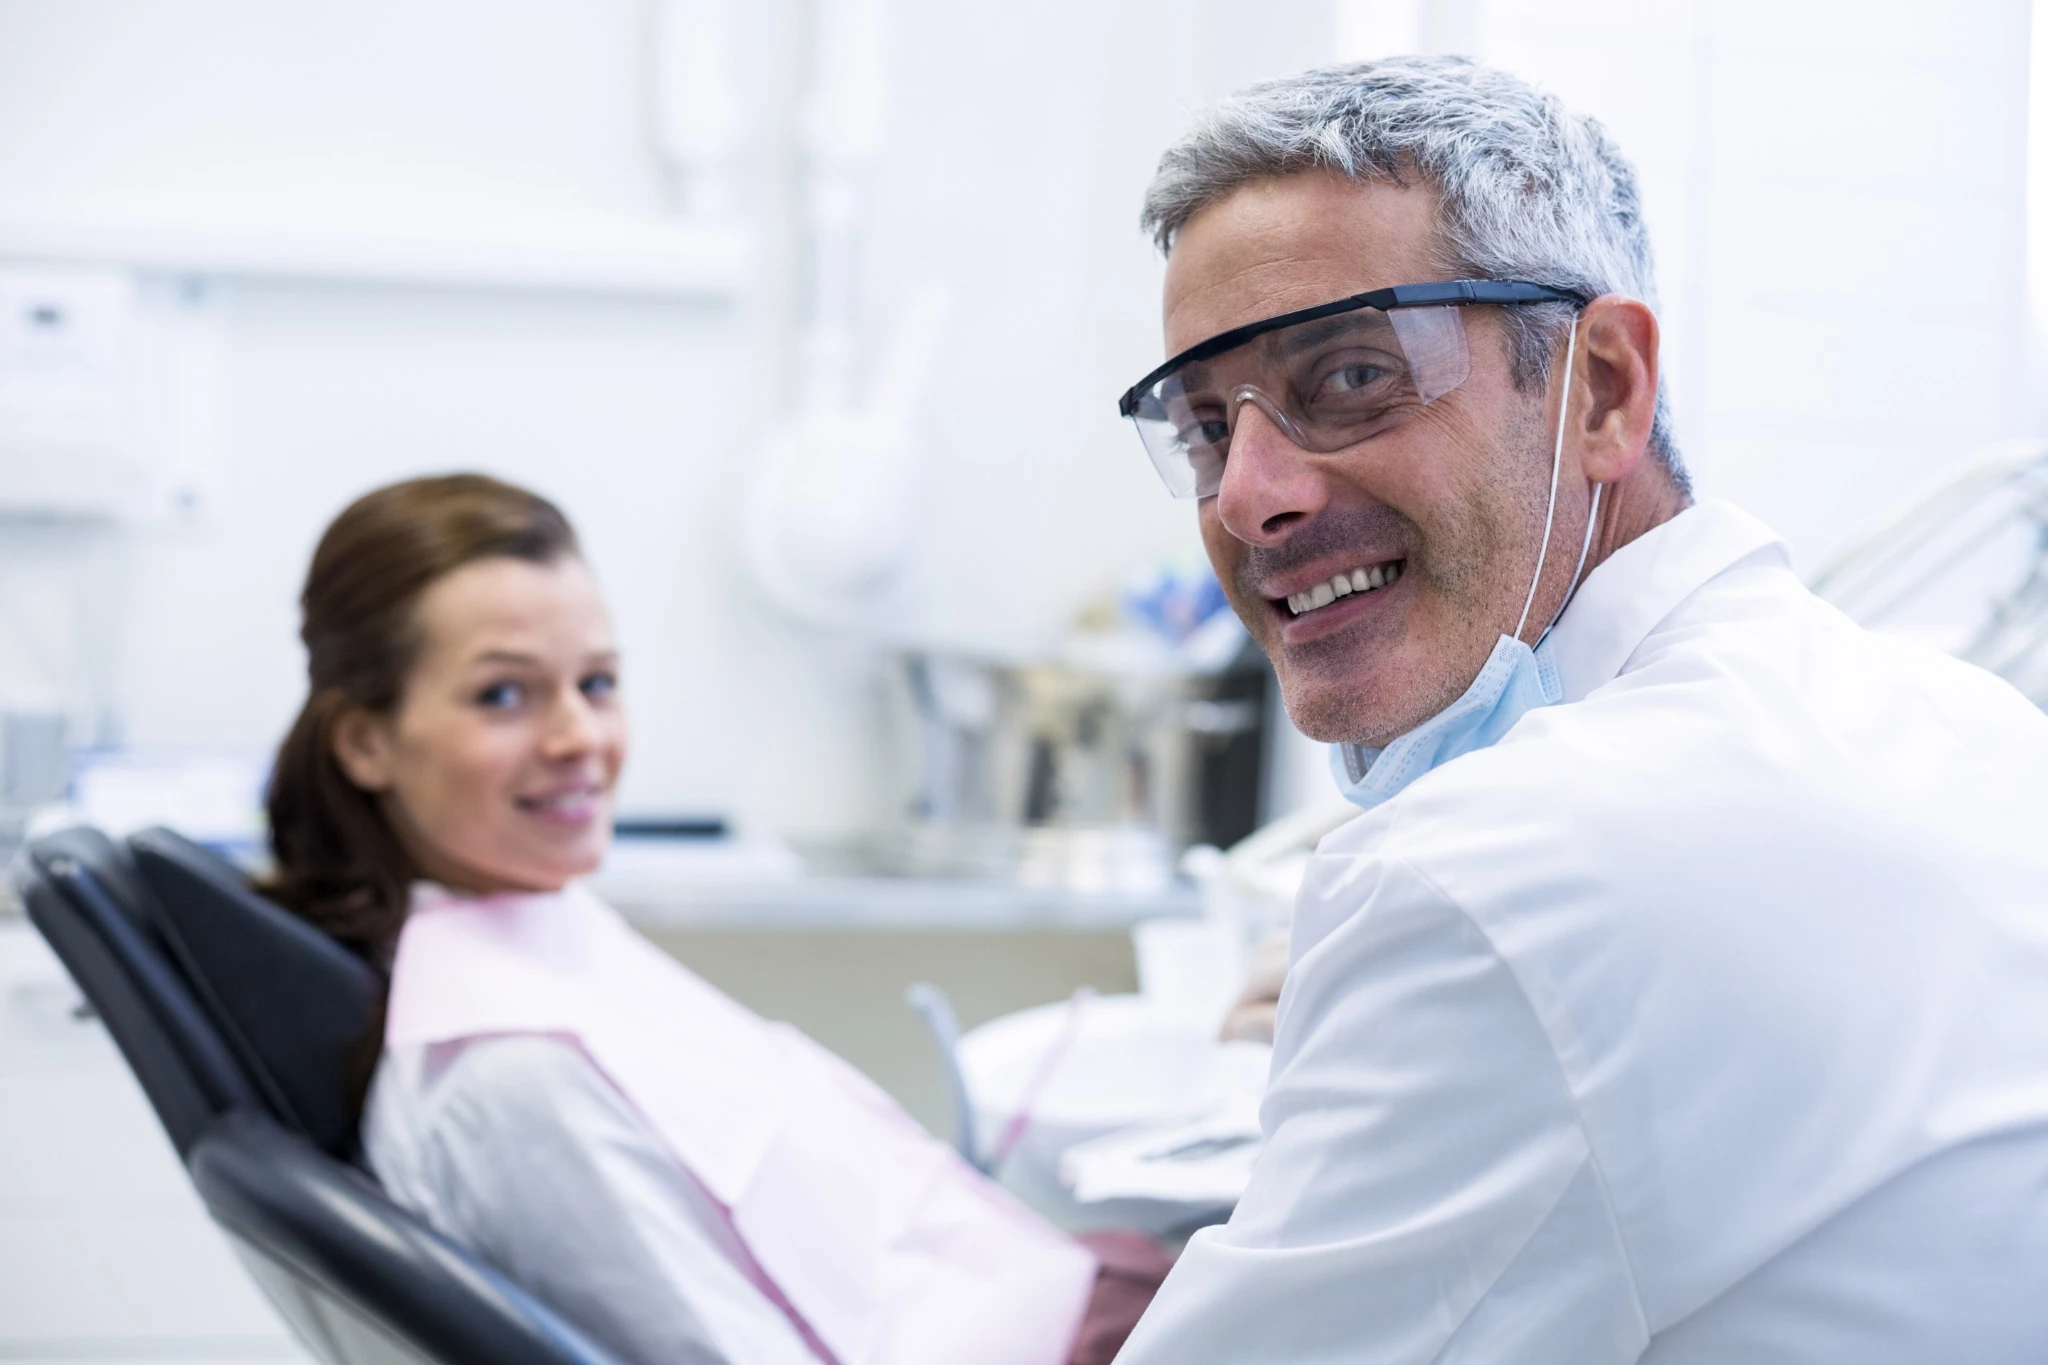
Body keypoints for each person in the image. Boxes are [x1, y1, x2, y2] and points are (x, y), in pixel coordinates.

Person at [1109, 56, 2048, 1363]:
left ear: (1601, 387)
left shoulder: (1484, 880)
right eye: (1207, 427)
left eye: (1352, 378)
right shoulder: (1982, 730)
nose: (1247, 495)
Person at [259, 474, 1167, 1365]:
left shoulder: (533, 927)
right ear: (365, 741)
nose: (580, 737)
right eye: (504, 694)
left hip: (1033, 1290)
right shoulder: (506, 1080)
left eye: (599, 682)